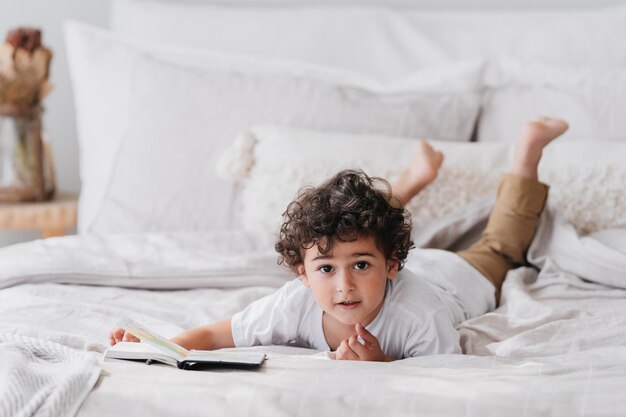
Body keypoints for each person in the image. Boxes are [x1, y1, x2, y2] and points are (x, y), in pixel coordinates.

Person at [109, 117, 568, 362]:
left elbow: (448, 374)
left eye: (360, 268)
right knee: (355, 227)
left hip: (457, 278)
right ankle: (414, 178)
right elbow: (213, 334)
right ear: (302, 274)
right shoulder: (293, 303)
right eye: (326, 269)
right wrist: (155, 346)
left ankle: (527, 151)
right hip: (398, 259)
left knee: (502, 246)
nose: (344, 286)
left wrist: (383, 363)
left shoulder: (421, 316)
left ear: (391, 265)